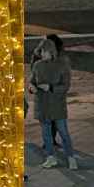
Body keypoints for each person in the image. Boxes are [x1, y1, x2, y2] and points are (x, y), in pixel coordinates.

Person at [29, 36, 77, 169]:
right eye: (41, 51)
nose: (42, 54)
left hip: (57, 105)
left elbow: (65, 86)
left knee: (63, 132)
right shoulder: (37, 65)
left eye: (44, 51)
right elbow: (32, 81)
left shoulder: (62, 65)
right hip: (42, 104)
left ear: (51, 51)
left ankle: (70, 157)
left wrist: (50, 87)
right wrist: (31, 88)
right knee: (46, 134)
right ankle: (50, 157)